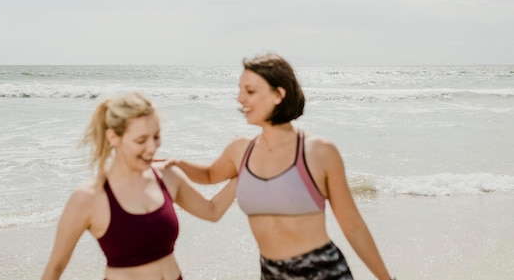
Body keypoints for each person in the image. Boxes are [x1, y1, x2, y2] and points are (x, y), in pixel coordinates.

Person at [167, 53, 394, 280]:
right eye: (240, 90)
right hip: (271, 273)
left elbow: (352, 225)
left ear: (278, 94)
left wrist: (385, 278)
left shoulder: (318, 152)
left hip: (322, 272)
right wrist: (174, 163)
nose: (240, 99)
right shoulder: (240, 150)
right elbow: (209, 175)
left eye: (250, 91)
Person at [41, 92, 237, 280]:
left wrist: (246, 172)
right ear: (113, 138)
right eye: (141, 140)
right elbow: (55, 267)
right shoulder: (89, 196)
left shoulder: (168, 176)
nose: (152, 147)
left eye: (156, 136)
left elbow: (212, 211)